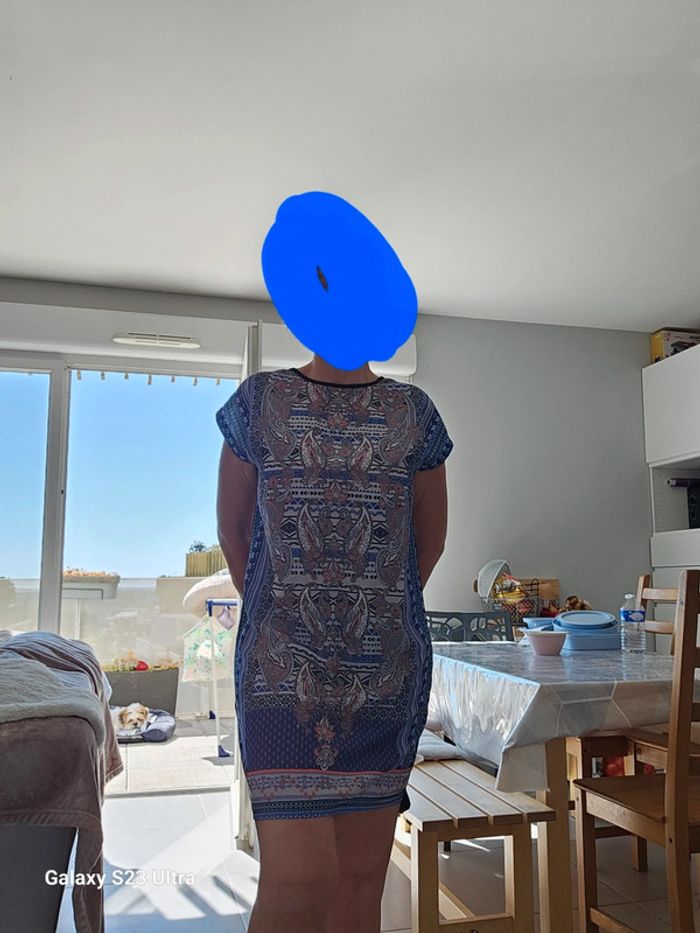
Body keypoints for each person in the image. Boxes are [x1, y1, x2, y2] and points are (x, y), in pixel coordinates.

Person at [216, 352, 452, 933]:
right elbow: (235, 530)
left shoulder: (414, 412)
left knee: (361, 879)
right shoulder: (259, 401)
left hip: (384, 681)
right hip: (280, 678)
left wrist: (375, 614)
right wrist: (285, 615)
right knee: (297, 881)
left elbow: (427, 541)